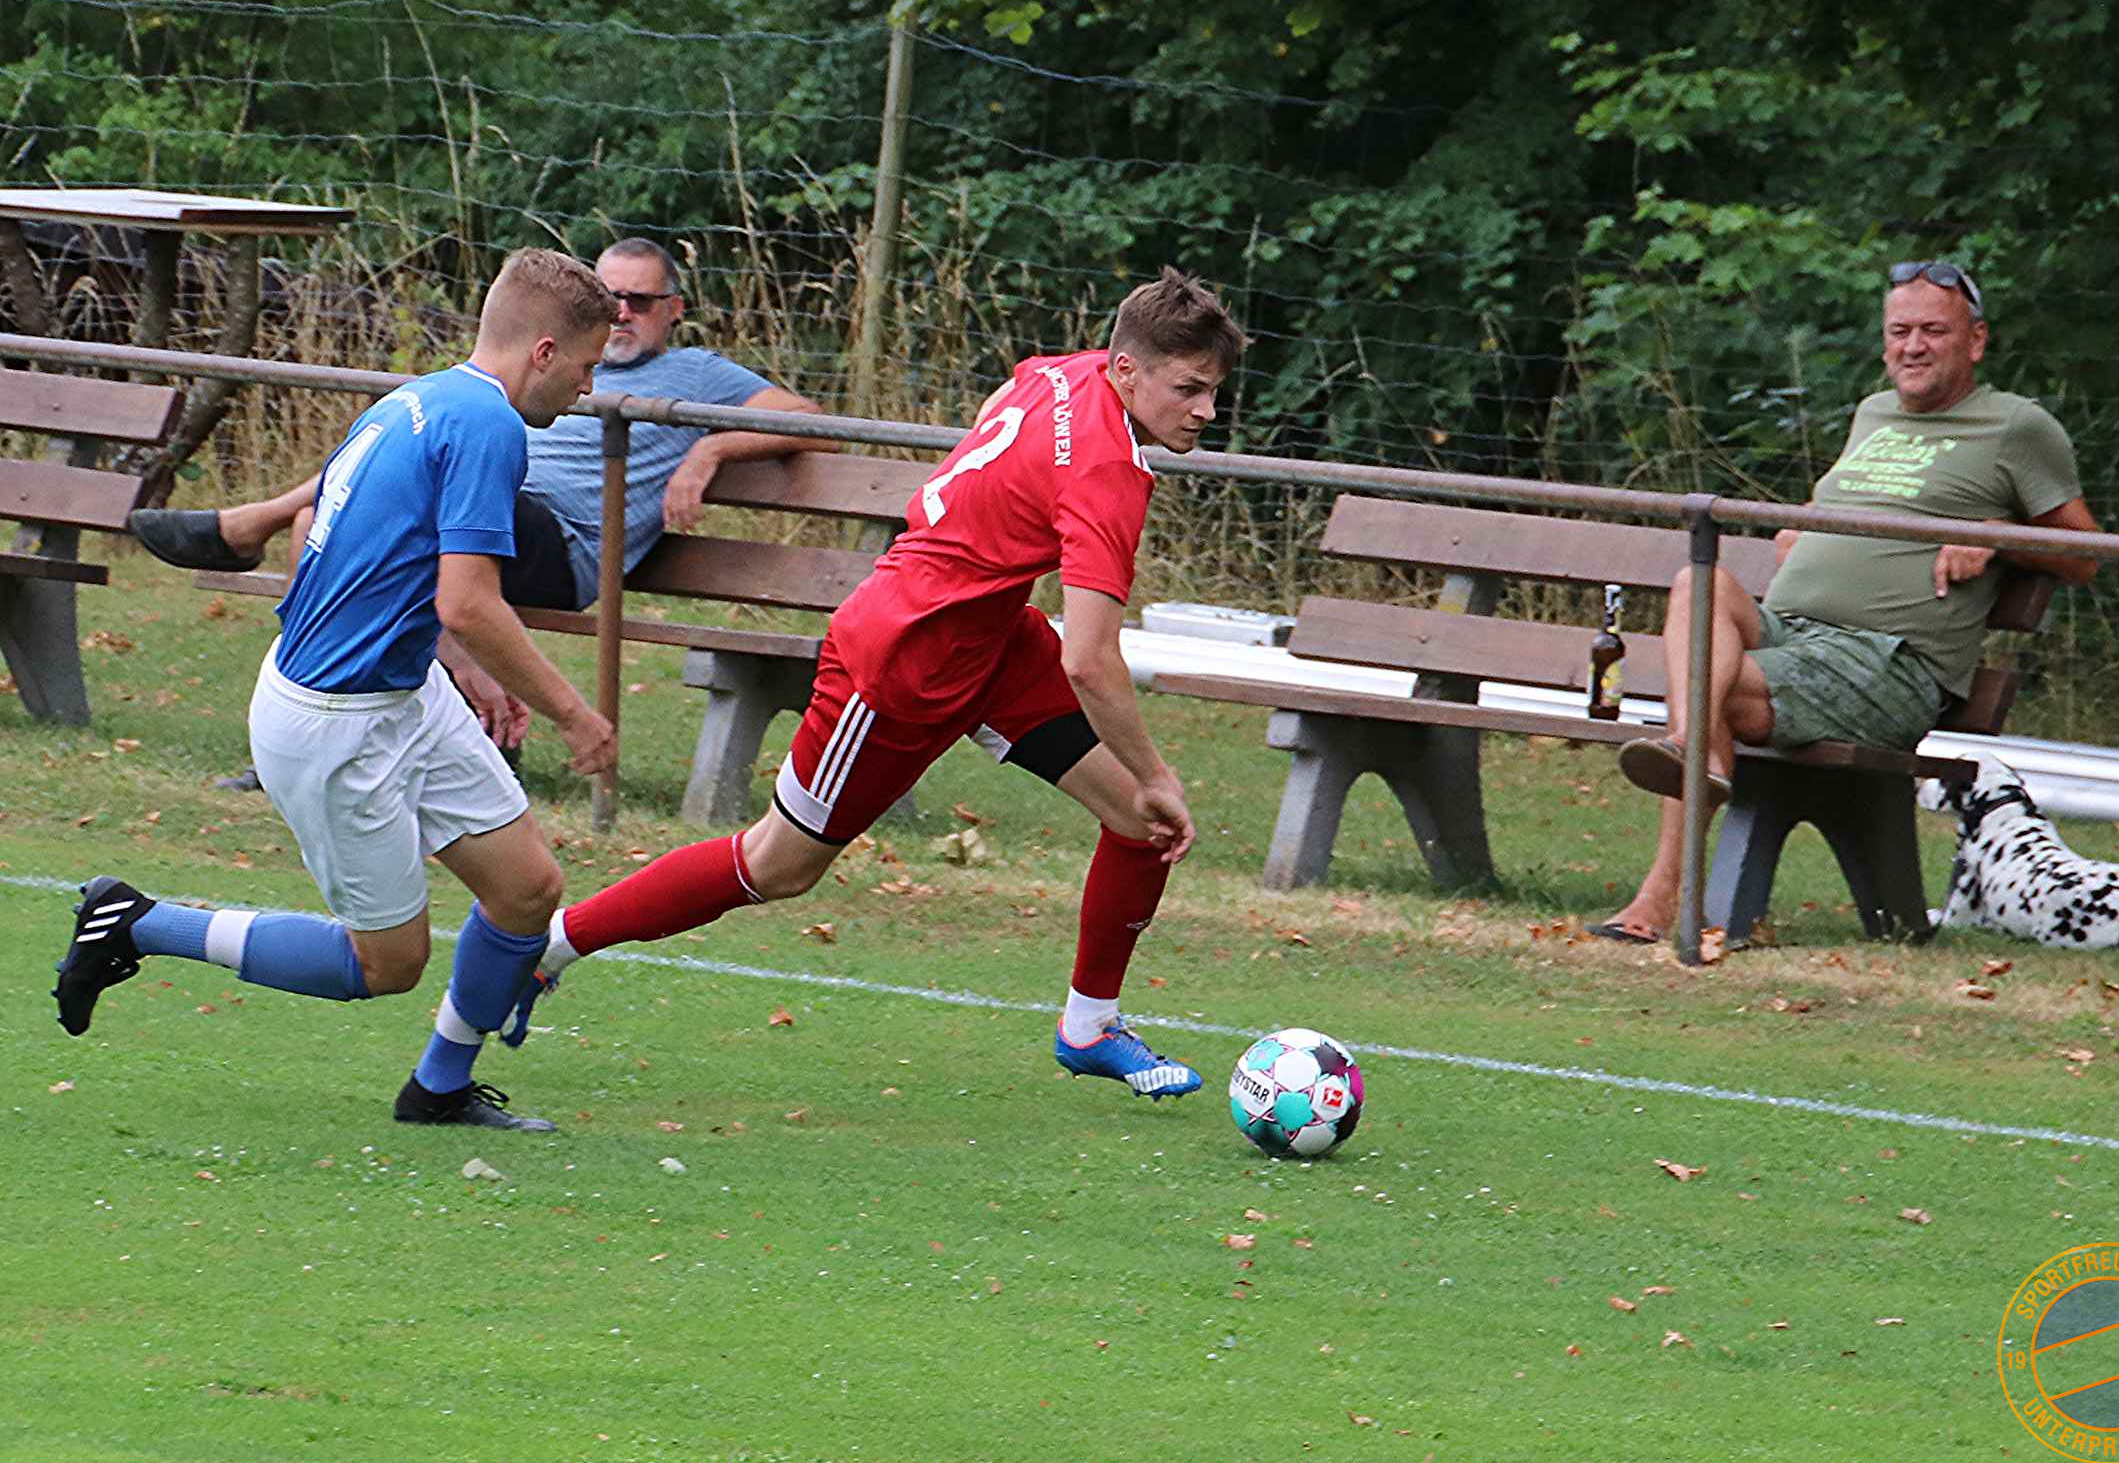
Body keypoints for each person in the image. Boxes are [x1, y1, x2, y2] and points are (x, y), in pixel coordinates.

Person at [501, 267, 1246, 1100]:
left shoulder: (1064, 371)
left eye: (1213, 391)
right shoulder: (1109, 471)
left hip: (992, 639)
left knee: (1141, 823)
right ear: (1128, 370)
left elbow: (1008, 416)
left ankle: (1089, 1026)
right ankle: (551, 945)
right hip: (900, 661)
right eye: (1188, 389)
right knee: (777, 865)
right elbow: (1090, 660)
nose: (1205, 411)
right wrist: (1155, 768)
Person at [54, 248, 622, 1131]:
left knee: (525, 888)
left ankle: (437, 1089)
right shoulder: (490, 426)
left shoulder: (421, 398)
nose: (588, 388)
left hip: (400, 689)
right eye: (586, 365)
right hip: (335, 720)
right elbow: (468, 602)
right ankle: (137, 920)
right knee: (385, 963)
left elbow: (388, 563)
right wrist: (575, 714)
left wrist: (454, 658)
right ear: (544, 351)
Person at [129, 236, 826, 754]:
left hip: (561, 541)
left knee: (392, 492)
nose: (621, 314)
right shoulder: (527, 379)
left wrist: (709, 449)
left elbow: (809, 419)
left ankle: (248, 527)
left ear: (672, 310)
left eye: (639, 302)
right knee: (329, 511)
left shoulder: (696, 374)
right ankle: (321, 718)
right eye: (608, 297)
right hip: (490, 508)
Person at [1591, 260, 2103, 943]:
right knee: (1697, 582)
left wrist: (1994, 536)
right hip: (1793, 633)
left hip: (1884, 662)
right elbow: (1862, 500)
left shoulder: (2016, 426)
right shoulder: (1872, 413)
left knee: (1708, 684)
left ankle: (1662, 890)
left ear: (1975, 341)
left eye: (1932, 331)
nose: (1912, 346)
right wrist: (1809, 523)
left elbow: (2087, 554)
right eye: (1898, 331)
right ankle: (1694, 755)